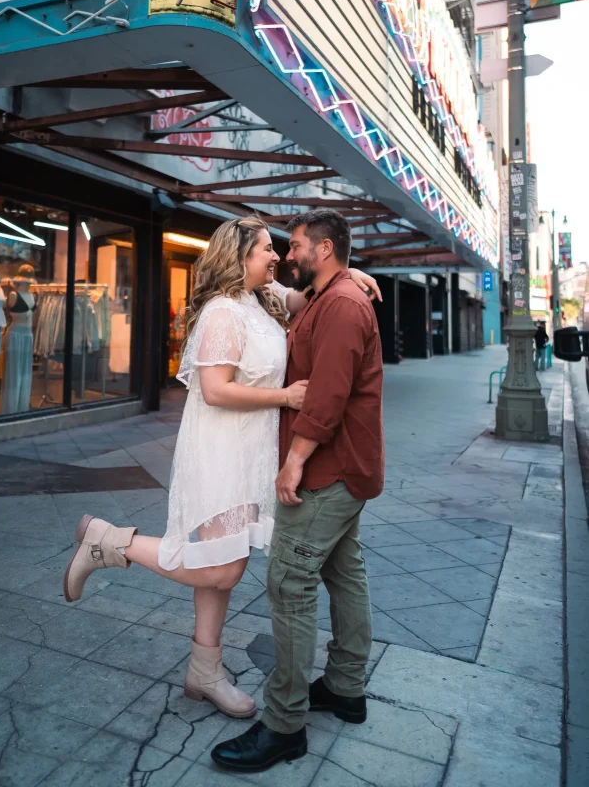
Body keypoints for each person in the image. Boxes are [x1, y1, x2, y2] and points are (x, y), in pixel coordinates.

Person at [62, 215, 380, 719]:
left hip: (250, 451)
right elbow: (213, 389)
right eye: (266, 249)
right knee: (223, 566)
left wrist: (350, 272)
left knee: (222, 572)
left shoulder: (263, 298)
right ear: (239, 258)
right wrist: (286, 394)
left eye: (280, 249)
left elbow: (311, 294)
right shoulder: (221, 312)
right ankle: (108, 542)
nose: (277, 257)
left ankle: (204, 672)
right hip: (221, 451)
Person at [211, 209, 384, 773]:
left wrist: (294, 464)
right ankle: (345, 687)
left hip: (327, 469)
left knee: (289, 582)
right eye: (278, 248)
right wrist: (351, 275)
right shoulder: (330, 295)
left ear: (325, 249)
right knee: (343, 569)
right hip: (345, 466)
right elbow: (297, 300)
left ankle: (284, 724)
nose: (287, 255)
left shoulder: (340, 305)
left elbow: (327, 397)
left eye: (296, 245)